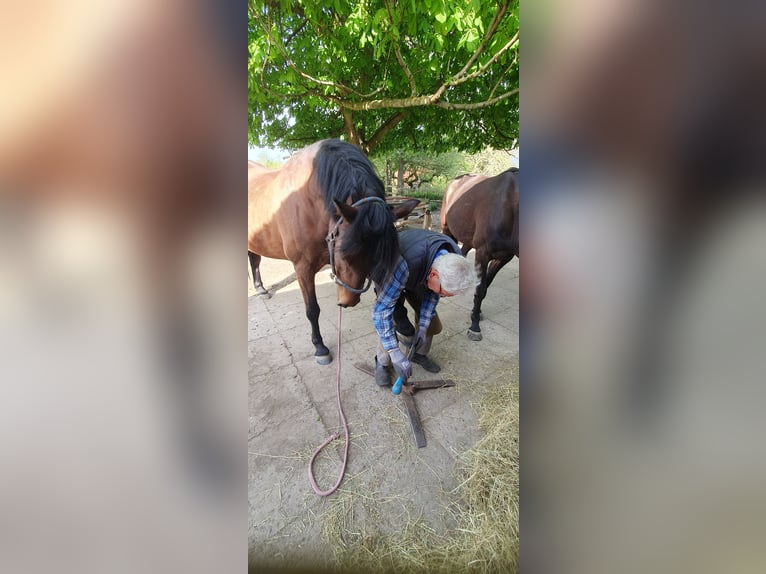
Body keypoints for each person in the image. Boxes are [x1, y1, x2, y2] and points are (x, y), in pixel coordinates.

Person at [372, 228, 478, 386]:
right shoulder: (403, 265)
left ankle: (418, 354)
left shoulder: (453, 258)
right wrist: (395, 353)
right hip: (391, 273)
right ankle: (383, 362)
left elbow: (433, 294)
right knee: (392, 322)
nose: (442, 296)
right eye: (444, 293)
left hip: (421, 272)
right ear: (434, 275)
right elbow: (381, 312)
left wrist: (422, 326)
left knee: (431, 324)